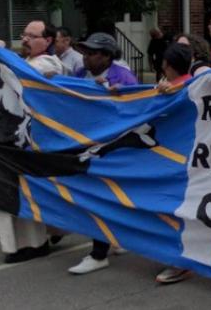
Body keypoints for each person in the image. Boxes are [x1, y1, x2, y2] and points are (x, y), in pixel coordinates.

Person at [68, 32, 139, 274]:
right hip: (87, 144)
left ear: (107, 56)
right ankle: (115, 238)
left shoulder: (124, 77)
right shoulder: (79, 74)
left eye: (91, 53)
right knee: (101, 196)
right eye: (85, 52)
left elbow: (140, 110)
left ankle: (99, 253)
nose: (85, 57)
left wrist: (115, 96)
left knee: (101, 196)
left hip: (114, 148)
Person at [0, 21, 65, 264]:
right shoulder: (23, 63)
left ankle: (35, 244)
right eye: (23, 35)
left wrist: (1, 51)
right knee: (10, 195)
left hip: (28, 142)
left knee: (23, 195)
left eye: (31, 36)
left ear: (47, 41)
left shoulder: (48, 63)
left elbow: (20, 75)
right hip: (10, 138)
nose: (25, 39)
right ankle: (19, 245)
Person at [153, 43, 195, 284]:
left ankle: (180, 261)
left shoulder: (187, 88)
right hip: (174, 159)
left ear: (166, 65)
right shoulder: (169, 88)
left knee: (174, 209)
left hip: (180, 161)